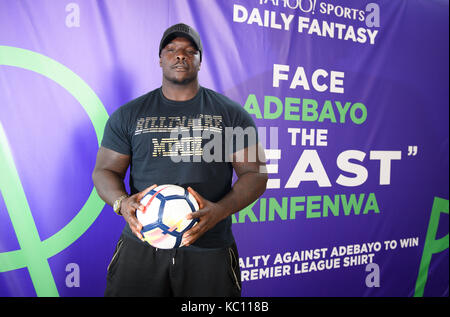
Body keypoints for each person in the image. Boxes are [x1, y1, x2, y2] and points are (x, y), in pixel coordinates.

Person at [92, 23, 267, 297]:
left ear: (200, 61)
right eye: (171, 49)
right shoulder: (129, 114)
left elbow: (256, 175)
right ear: (160, 59)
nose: (180, 55)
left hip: (209, 250)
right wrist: (121, 202)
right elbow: (105, 170)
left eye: (189, 50)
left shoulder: (233, 115)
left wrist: (219, 211)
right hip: (142, 246)